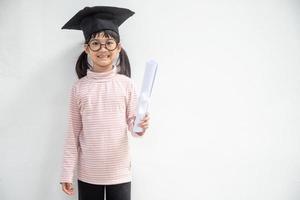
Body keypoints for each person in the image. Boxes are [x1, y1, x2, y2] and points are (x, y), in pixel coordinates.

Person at [59, 6, 150, 200]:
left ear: (118, 47)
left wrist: (140, 125)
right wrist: (67, 172)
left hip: (120, 172)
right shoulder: (79, 88)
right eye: (95, 43)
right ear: (86, 48)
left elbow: (133, 128)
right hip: (89, 173)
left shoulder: (127, 85)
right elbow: (73, 133)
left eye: (109, 43)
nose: (103, 49)